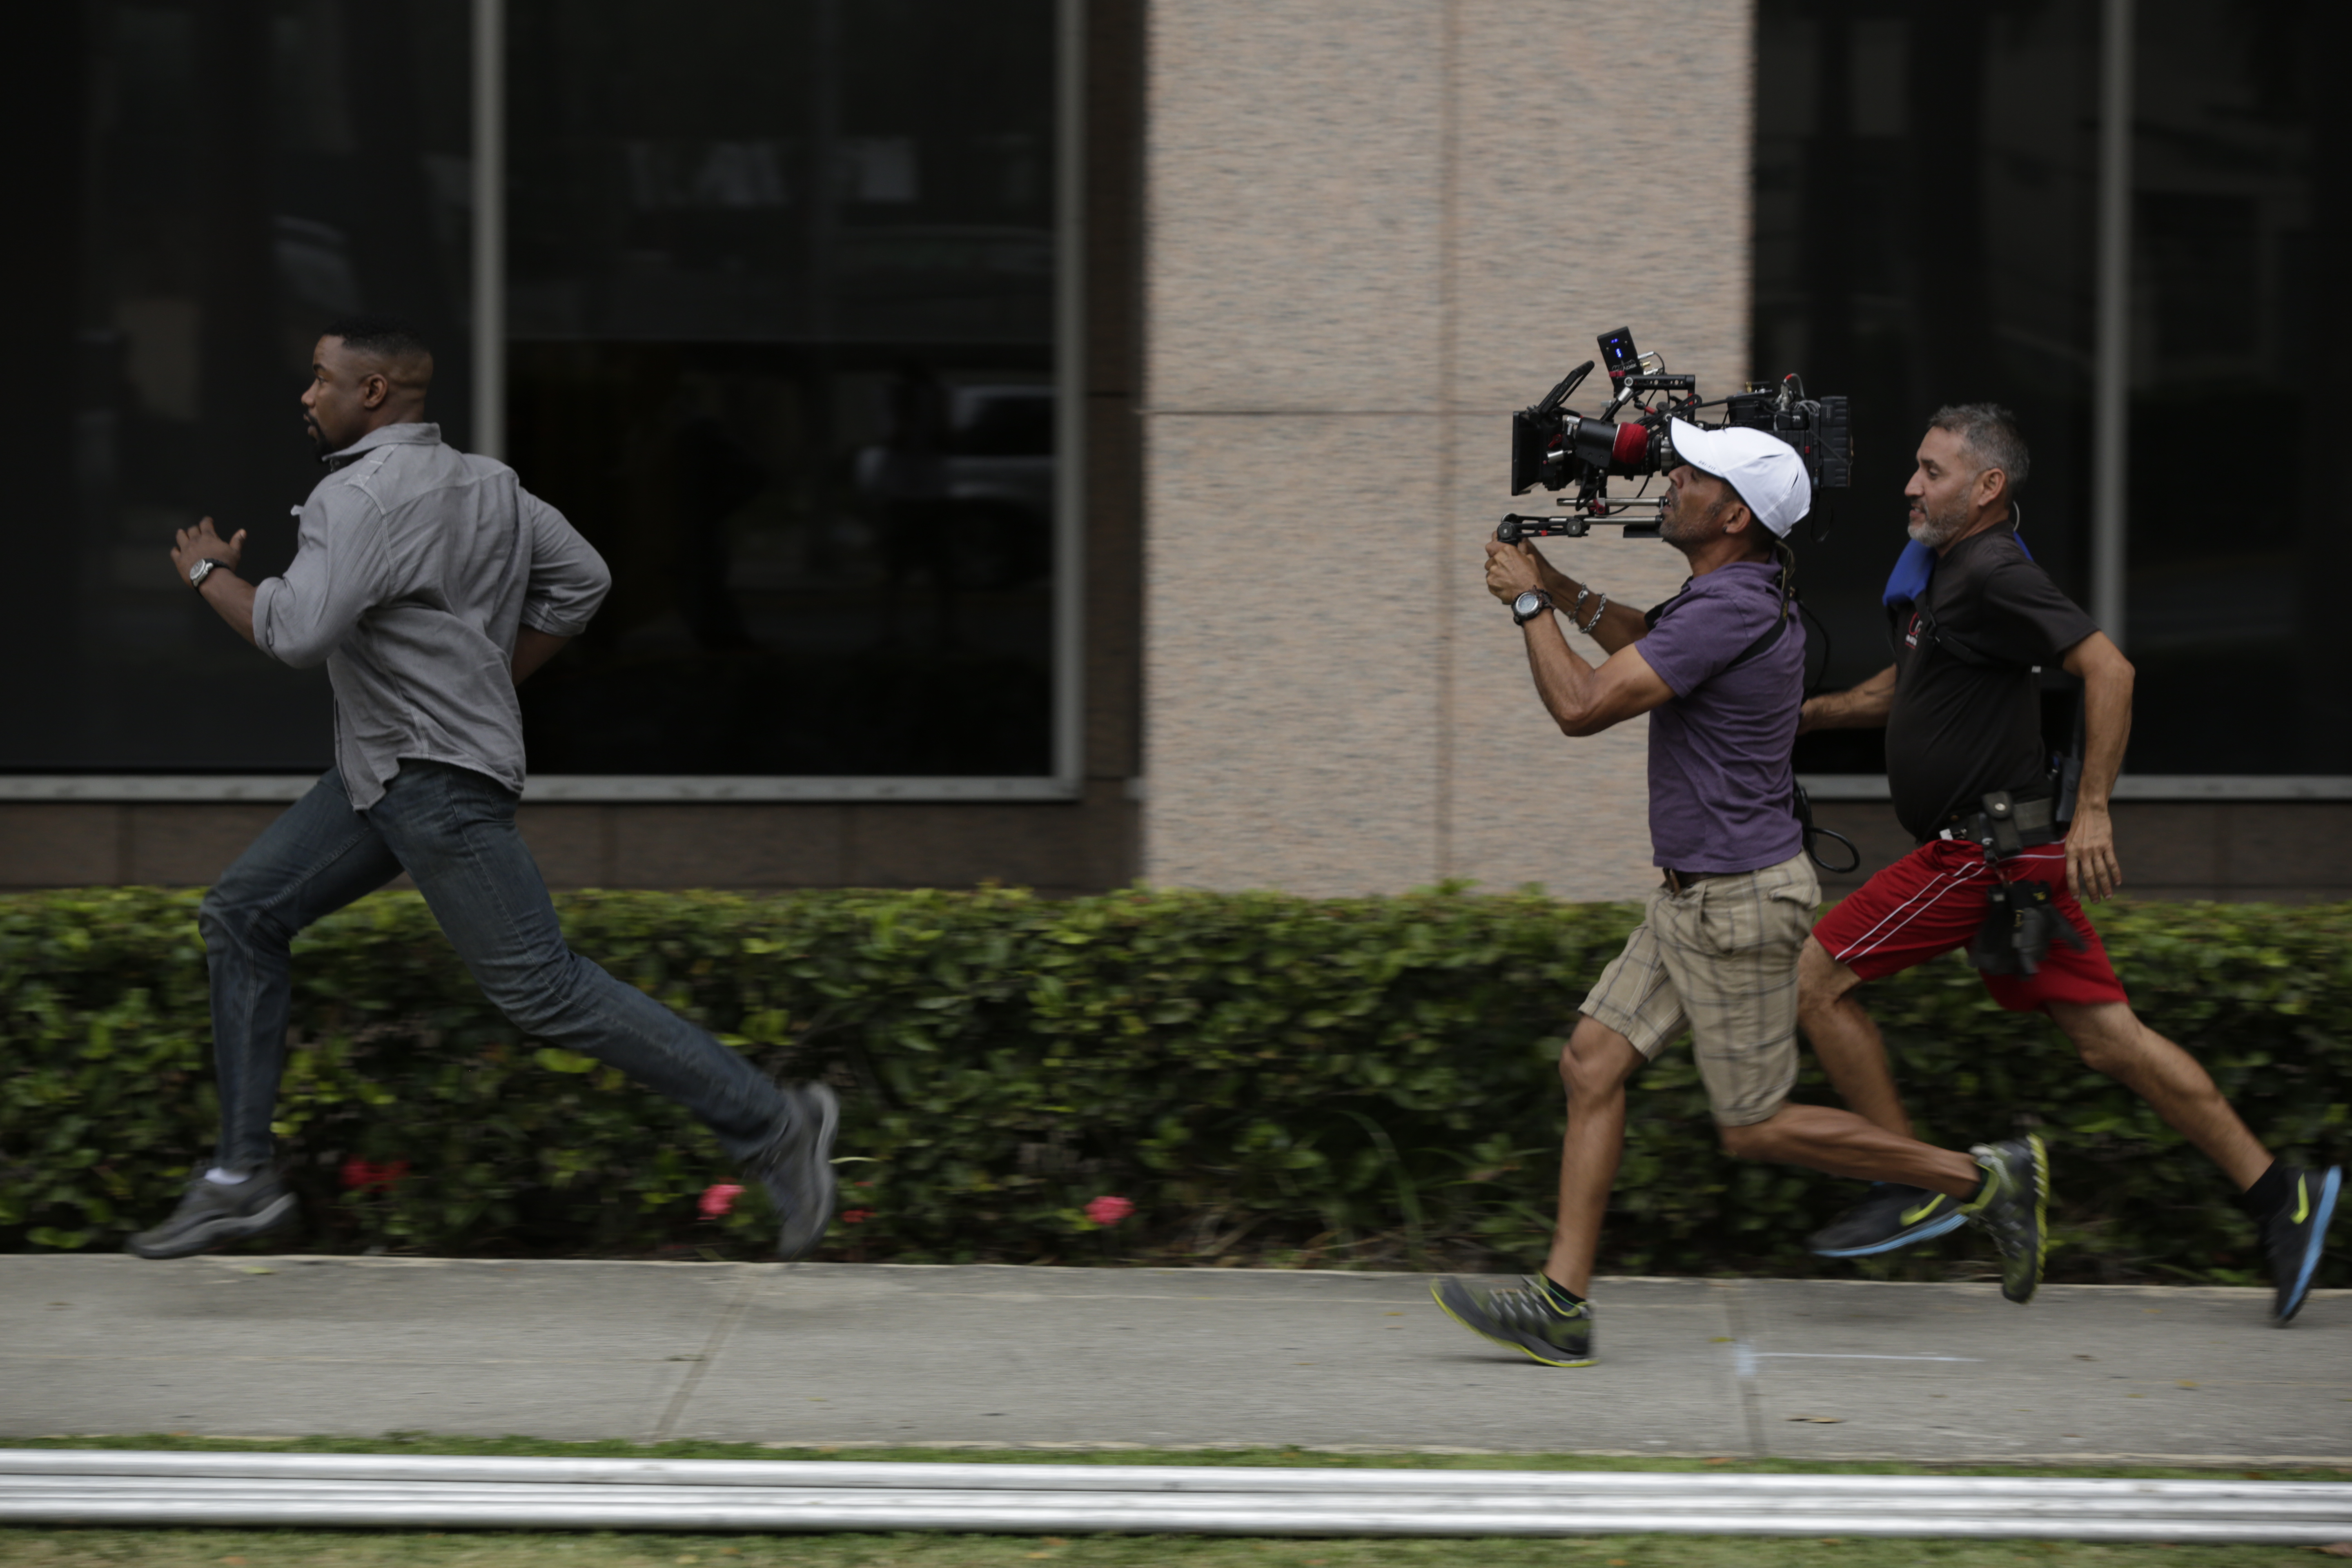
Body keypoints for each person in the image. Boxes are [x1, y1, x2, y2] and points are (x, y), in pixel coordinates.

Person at [128, 318, 839, 1261]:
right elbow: (585, 579)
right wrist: (487, 676)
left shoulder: (359, 498)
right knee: (243, 915)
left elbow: (295, 633)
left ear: (373, 393)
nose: (307, 395)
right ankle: (239, 1180)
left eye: (321, 378)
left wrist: (210, 572)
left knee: (546, 990)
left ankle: (775, 1122)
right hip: (384, 775)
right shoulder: (489, 485)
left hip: (431, 785)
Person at [1430, 422, 2050, 1368]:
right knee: (1592, 1066)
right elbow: (1659, 645)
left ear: (1733, 514)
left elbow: (1585, 706)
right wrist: (1560, 589)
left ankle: (1979, 1178)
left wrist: (1528, 611)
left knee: (1754, 1126)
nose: (1669, 481)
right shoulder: (1735, 600)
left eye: (1690, 474)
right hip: (1694, 899)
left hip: (1736, 905)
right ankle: (1562, 1303)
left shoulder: (1726, 609)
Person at [1795, 403, 2339, 1323]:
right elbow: (1905, 688)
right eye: (1917, 469)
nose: (1911, 485)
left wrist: (2095, 811)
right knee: (2110, 1041)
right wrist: (1804, 717)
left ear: (1987, 487)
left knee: (1816, 979)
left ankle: (1915, 1181)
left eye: (1931, 471)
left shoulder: (1997, 571)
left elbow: (2111, 670)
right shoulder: (1945, 574)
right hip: (2008, 859)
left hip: (1980, 850)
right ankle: (2276, 1191)